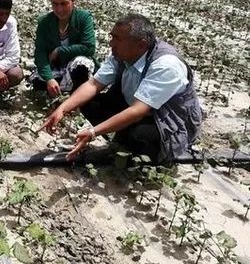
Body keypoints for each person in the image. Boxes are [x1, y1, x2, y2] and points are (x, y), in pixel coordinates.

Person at [40, 13, 202, 165]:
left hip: (166, 121)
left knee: (139, 136)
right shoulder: (122, 54)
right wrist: (62, 109)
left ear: (141, 45)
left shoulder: (166, 65)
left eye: (117, 39)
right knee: (91, 103)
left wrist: (93, 132)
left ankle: (140, 152)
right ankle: (122, 139)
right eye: (112, 37)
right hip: (135, 107)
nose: (111, 43)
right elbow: (93, 84)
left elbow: (138, 110)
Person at [31, 0, 97, 97]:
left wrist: (59, 51)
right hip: (56, 67)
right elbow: (40, 54)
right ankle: (62, 87)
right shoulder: (44, 22)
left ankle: (76, 95)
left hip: (74, 66)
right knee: (38, 82)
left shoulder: (83, 18)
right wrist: (49, 79)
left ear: (73, 1)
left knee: (81, 65)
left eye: (64, 4)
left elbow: (89, 47)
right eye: (55, 4)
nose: (59, 9)